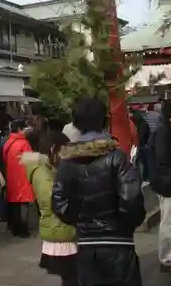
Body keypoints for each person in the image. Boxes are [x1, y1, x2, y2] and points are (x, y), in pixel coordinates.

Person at [52, 97, 146, 286]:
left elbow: (59, 204)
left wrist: (81, 220)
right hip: (118, 242)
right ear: (104, 120)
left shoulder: (67, 162)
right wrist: (124, 225)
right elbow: (132, 201)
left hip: (86, 243)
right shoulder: (116, 157)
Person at [21, 130, 77, 286]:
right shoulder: (42, 171)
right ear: (53, 149)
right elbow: (54, 200)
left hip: (60, 227)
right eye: (64, 151)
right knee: (72, 277)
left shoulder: (47, 168)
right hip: (59, 229)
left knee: (72, 277)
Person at [149, 99, 171, 273]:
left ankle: (169, 255)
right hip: (167, 185)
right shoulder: (166, 134)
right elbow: (165, 163)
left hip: (162, 183)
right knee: (169, 224)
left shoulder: (162, 131)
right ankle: (167, 259)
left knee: (169, 222)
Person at [3, 118, 35, 238]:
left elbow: (5, 159)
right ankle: (23, 228)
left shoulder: (8, 142)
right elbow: (30, 161)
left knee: (14, 203)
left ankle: (15, 227)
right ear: (21, 129)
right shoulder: (24, 143)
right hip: (23, 176)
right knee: (24, 202)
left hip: (11, 175)